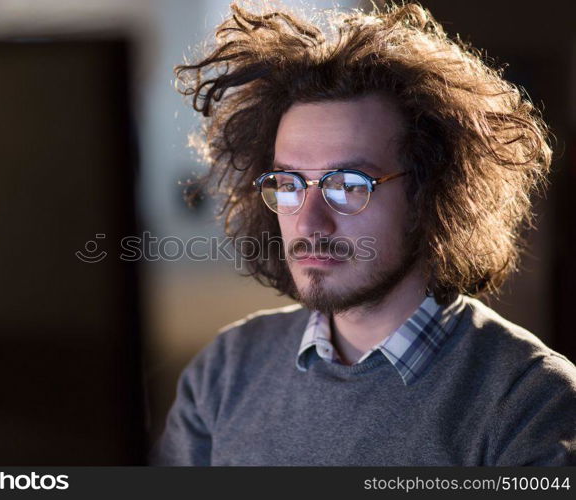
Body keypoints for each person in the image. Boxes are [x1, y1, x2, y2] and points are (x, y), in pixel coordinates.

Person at [150, 1, 576, 465]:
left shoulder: (531, 405)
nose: (310, 222)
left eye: (348, 185)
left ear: (431, 193)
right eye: (289, 184)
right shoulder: (225, 371)